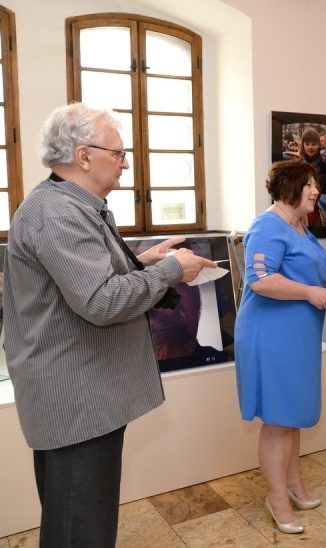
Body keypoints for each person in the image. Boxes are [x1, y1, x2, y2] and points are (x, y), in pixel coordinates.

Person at [4, 102, 216, 547]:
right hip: (77, 400)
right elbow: (101, 301)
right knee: (79, 530)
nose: (125, 163)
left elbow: (84, 281)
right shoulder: (58, 213)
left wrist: (143, 261)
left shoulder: (72, 205)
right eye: (118, 153)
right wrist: (171, 269)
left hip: (86, 393)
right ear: (84, 156)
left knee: (80, 520)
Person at [235, 160, 326, 535]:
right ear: (289, 188)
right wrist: (310, 292)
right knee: (278, 420)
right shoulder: (267, 225)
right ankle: (277, 498)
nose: (316, 190)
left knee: (291, 414)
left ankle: (294, 485)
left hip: (297, 335)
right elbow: (261, 280)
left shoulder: (299, 224)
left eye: (315, 184)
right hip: (271, 333)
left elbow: (304, 272)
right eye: (309, 184)